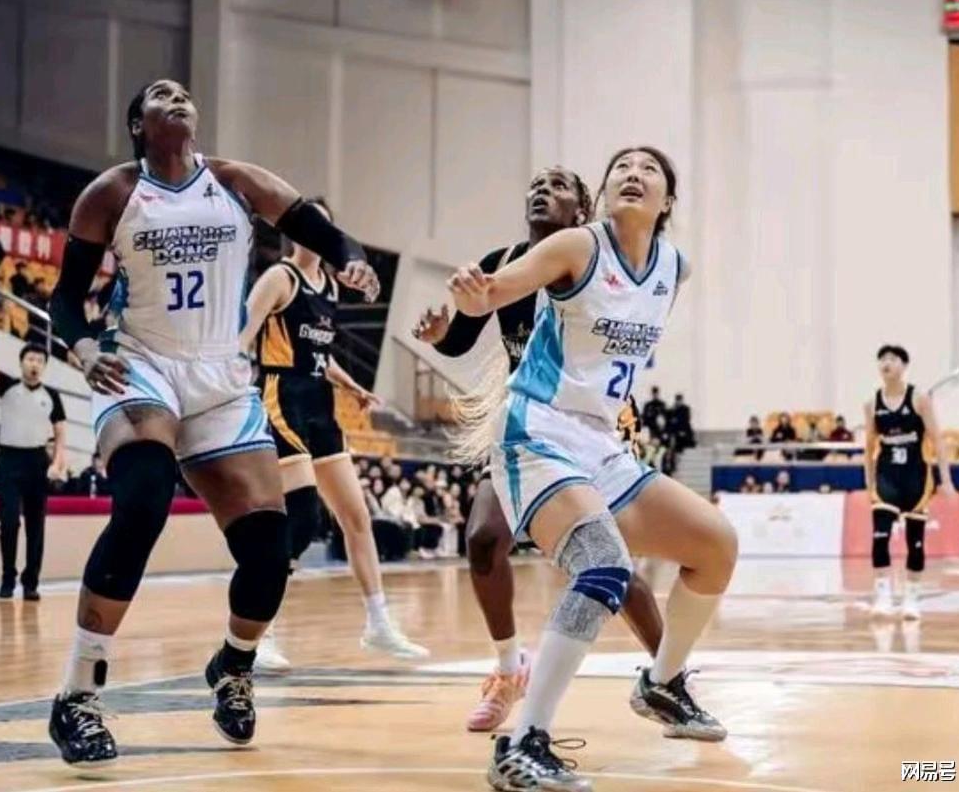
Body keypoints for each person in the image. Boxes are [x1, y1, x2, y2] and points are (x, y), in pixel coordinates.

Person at [44, 78, 379, 766]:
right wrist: (83, 350)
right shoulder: (112, 193)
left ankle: (233, 664)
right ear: (138, 124)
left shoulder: (234, 181)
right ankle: (77, 694)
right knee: (143, 501)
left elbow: (315, 225)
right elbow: (66, 299)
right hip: (141, 364)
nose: (177, 96)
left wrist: (351, 259)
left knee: (270, 546)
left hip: (219, 376)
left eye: (183, 92)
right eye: (160, 94)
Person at [448, 146, 737, 790]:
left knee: (716, 544)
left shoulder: (674, 268)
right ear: (603, 194)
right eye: (621, 168)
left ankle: (662, 683)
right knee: (604, 566)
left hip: (602, 442)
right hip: (537, 431)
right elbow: (494, 293)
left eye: (648, 169)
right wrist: (472, 294)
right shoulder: (577, 246)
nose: (633, 174)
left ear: (668, 200)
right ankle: (522, 744)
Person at [413, 166, 665, 733]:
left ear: (581, 210)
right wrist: (438, 331)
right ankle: (509, 670)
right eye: (535, 185)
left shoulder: (599, 261)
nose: (540, 192)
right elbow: (460, 338)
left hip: (591, 428)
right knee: (483, 539)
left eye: (556, 186)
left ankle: (670, 676)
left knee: (613, 565)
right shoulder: (503, 262)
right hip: (529, 427)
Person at [240, 197, 426, 670]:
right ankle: (259, 633)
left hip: (321, 404)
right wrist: (229, 382)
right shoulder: (279, 278)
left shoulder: (329, 287)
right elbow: (243, 334)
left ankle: (379, 625)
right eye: (307, 224)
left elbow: (320, 356)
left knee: (356, 516)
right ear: (292, 231)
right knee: (301, 518)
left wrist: (352, 386)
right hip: (281, 398)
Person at [0, 304, 67, 600]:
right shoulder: (7, 386)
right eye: (30, 359)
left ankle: (31, 582)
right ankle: (7, 577)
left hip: (37, 461)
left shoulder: (52, 396)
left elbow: (61, 434)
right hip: (9, 461)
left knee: (36, 527)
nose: (34, 364)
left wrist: (58, 462)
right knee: (9, 522)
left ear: (44, 365)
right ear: (22, 362)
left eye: (39, 360)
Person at [863, 345, 956, 620]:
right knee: (880, 538)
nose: (886, 363)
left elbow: (938, 440)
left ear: (903, 366)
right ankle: (883, 596)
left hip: (916, 476)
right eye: (882, 359)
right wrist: (869, 482)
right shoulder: (872, 403)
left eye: (892, 359)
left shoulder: (919, 398)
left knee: (915, 542)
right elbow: (868, 448)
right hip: (886, 476)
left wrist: (946, 480)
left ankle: (912, 598)